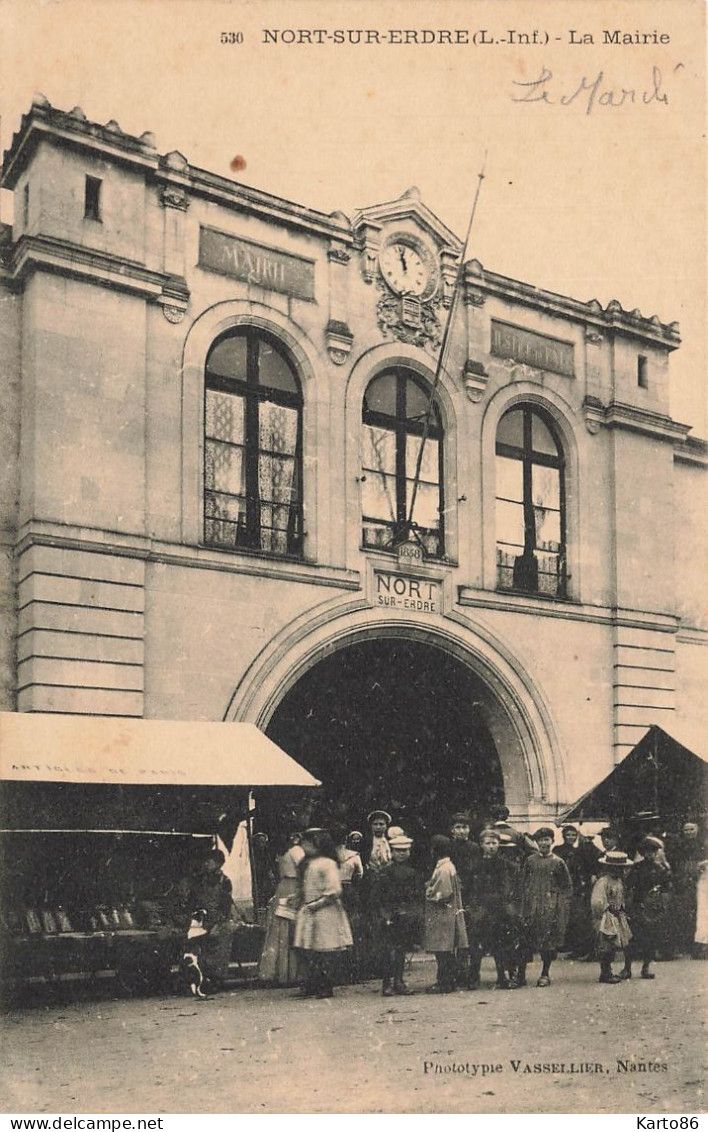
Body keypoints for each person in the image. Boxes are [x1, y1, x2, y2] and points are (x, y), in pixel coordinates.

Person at [293, 828, 353, 999]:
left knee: (325, 950)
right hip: (310, 910)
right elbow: (306, 886)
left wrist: (317, 904)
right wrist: (298, 897)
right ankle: (313, 982)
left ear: (316, 844)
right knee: (309, 948)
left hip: (325, 911)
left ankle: (326, 985)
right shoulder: (307, 863)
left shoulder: (327, 863)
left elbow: (334, 890)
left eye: (306, 843)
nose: (303, 847)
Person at [518, 827, 572, 988]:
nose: (543, 843)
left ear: (552, 841)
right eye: (540, 840)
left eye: (546, 839)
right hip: (531, 906)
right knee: (525, 941)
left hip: (549, 908)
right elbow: (523, 882)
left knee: (548, 943)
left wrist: (559, 906)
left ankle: (545, 974)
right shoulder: (530, 861)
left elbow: (567, 887)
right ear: (536, 842)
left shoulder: (558, 862)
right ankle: (521, 975)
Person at [467, 828, 521, 990]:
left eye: (494, 843)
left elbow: (507, 888)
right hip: (480, 910)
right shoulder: (475, 865)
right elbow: (471, 890)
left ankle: (502, 977)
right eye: (487, 843)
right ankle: (474, 977)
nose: (491, 846)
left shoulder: (505, 865)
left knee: (501, 945)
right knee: (476, 946)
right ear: (481, 845)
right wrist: (474, 908)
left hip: (499, 911)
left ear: (499, 845)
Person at [375, 834, 423, 996]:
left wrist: (412, 914)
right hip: (390, 916)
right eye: (398, 851)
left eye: (405, 850)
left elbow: (416, 896)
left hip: (405, 916)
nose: (402, 853)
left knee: (401, 950)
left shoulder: (413, 873)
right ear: (392, 852)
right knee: (388, 951)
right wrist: (385, 915)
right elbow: (379, 897)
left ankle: (399, 981)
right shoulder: (385, 872)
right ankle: (386, 983)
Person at [258, 832, 305, 986]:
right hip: (294, 885)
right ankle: (293, 972)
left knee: (278, 929)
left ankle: (275, 971)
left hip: (283, 887)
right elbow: (303, 870)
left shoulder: (281, 852)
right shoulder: (296, 851)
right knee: (292, 927)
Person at [423, 834, 468, 993]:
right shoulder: (448, 866)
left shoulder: (443, 869)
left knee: (443, 951)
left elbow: (444, 893)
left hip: (443, 915)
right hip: (448, 914)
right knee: (445, 950)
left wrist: (428, 891)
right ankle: (447, 980)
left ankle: (444, 982)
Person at [623, 836, 672, 980]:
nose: (649, 854)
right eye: (646, 851)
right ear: (642, 853)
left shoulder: (660, 869)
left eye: (652, 851)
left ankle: (646, 967)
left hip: (653, 908)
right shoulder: (636, 868)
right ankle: (627, 968)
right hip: (637, 906)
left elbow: (666, 889)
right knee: (631, 938)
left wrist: (662, 905)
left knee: (651, 937)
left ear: (656, 853)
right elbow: (629, 887)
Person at [449, 811, 481, 989]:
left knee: (473, 936)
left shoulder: (475, 848)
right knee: (456, 936)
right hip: (454, 895)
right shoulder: (449, 848)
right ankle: (458, 973)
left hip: (471, 895)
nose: (462, 831)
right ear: (452, 830)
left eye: (465, 827)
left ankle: (474, 974)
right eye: (458, 827)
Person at [590, 850, 633, 984]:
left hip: (617, 915)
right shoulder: (603, 882)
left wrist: (622, 909)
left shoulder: (618, 881)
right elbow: (597, 901)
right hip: (606, 917)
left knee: (615, 944)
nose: (619, 871)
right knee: (605, 945)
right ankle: (605, 972)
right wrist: (607, 908)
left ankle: (611, 970)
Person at [666, 821, 704, 956]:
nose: (689, 832)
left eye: (691, 829)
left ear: (697, 830)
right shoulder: (679, 846)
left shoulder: (703, 845)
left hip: (699, 881)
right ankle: (684, 944)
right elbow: (675, 864)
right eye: (686, 830)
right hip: (683, 881)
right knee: (683, 912)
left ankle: (697, 945)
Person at [554, 825, 592, 957]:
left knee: (576, 917)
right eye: (568, 835)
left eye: (573, 835)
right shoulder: (557, 850)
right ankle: (562, 943)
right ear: (564, 836)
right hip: (562, 885)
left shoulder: (579, 851)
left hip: (576, 886)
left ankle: (575, 946)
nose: (571, 837)